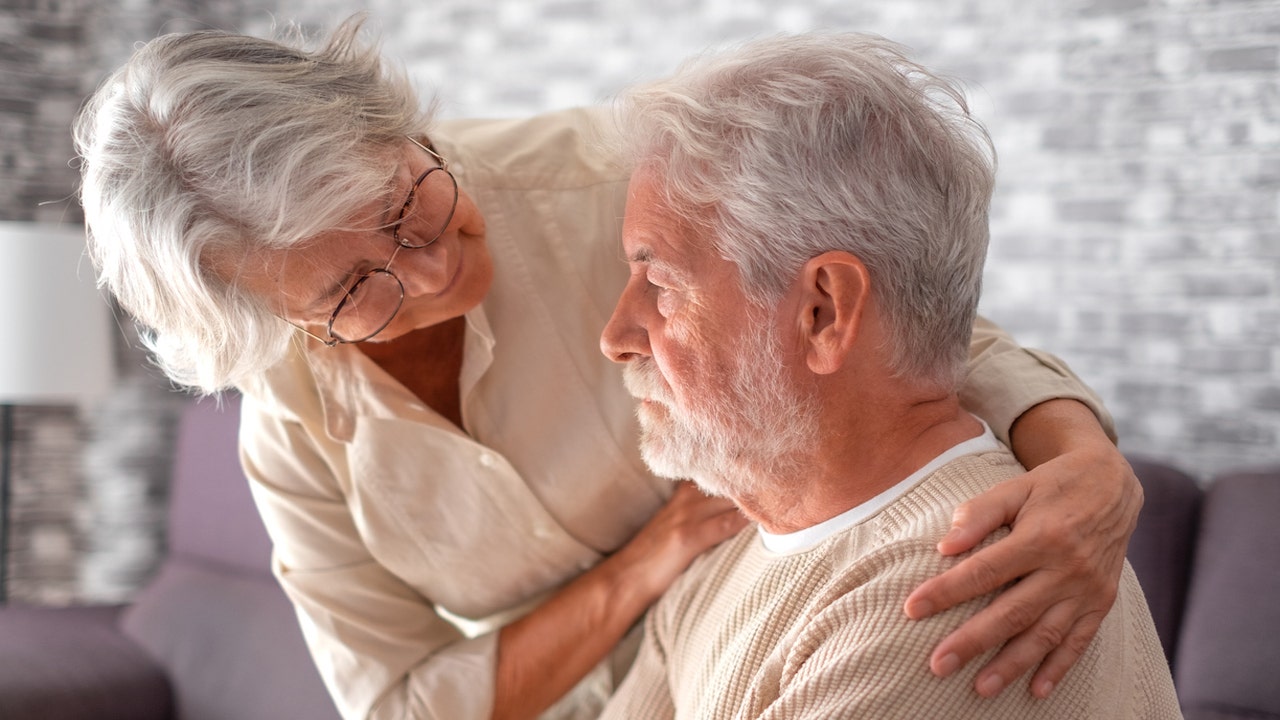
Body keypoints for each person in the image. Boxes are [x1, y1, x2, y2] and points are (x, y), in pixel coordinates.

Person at [73, 16, 1143, 720]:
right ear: (283, 325)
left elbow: (890, 316)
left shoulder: (611, 182)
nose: (435, 265)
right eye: (354, 290)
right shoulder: (293, 426)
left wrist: (1082, 463)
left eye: (406, 204)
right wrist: (647, 565)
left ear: (396, 126)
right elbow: (397, 705)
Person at [595, 32, 1179, 719]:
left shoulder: (958, 588)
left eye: (660, 284)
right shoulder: (727, 556)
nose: (616, 338)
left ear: (824, 312)